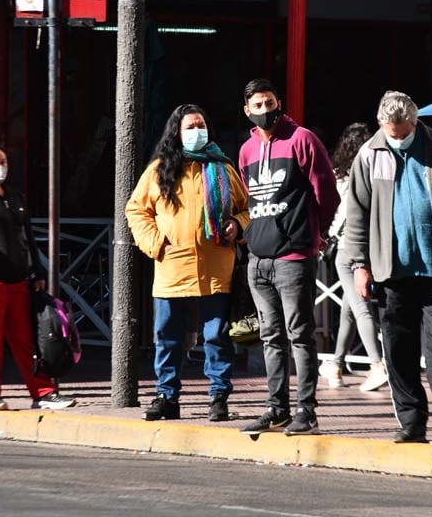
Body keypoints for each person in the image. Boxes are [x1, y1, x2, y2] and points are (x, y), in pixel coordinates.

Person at [345, 91, 432, 447]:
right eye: (392, 132)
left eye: (404, 132)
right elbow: (356, 214)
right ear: (380, 125)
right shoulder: (369, 154)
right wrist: (360, 265)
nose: (399, 138)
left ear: (415, 122)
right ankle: (411, 422)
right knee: (398, 351)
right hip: (390, 271)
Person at [126, 104, 250, 422]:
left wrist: (238, 224)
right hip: (172, 266)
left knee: (216, 336)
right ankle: (167, 396)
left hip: (216, 267)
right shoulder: (159, 170)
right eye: (190, 127)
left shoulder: (223, 168)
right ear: (177, 133)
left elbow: (247, 208)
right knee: (167, 336)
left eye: (201, 125)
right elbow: (136, 211)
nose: (197, 131)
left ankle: (218, 396)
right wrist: (156, 243)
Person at [237, 79, 339, 437]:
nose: (266, 111)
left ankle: (306, 410)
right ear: (247, 111)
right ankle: (276, 408)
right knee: (270, 337)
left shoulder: (302, 140)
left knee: (300, 334)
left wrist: (317, 233)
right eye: (258, 106)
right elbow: (250, 199)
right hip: (258, 257)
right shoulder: (247, 149)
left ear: (279, 102)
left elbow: (326, 191)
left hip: (294, 255)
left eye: (270, 103)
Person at [0, 140, 75, 412]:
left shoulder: (14, 197)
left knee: (26, 340)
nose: (0, 168)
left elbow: (27, 237)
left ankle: (43, 392)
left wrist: (37, 269)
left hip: (17, 280)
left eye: (3, 162)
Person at [317, 122, 388, 392]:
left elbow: (342, 212)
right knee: (349, 309)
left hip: (347, 249)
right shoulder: (376, 172)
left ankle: (376, 365)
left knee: (359, 308)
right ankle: (335, 365)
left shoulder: (342, 176)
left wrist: (328, 236)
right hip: (371, 249)